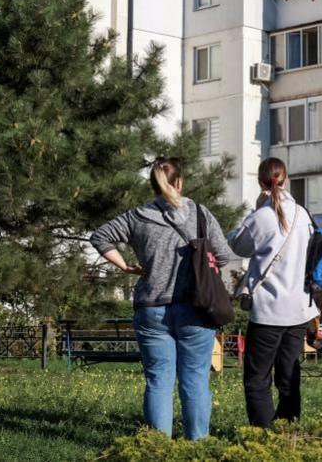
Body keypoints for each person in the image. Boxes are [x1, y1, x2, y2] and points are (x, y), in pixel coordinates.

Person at [90, 157, 233, 440]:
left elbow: (100, 236)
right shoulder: (200, 214)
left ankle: (158, 450)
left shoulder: (137, 217)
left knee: (158, 381)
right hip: (196, 308)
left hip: (151, 309)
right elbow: (224, 255)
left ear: (154, 186)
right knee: (195, 381)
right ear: (179, 182)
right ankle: (197, 448)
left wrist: (126, 266)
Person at [228, 158, 318, 428]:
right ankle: (288, 430)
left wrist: (256, 210)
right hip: (299, 309)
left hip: (268, 311)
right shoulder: (303, 214)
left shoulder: (261, 217)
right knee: (289, 375)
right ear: (286, 178)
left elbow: (237, 245)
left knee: (257, 379)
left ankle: (263, 435)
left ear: (260, 182)